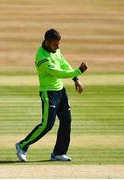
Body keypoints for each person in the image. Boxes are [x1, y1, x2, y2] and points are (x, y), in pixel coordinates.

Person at [16, 28, 88, 162]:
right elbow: (58, 73)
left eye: (59, 43)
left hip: (61, 91)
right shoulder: (42, 58)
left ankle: (59, 153)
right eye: (55, 44)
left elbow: (64, 64)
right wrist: (79, 70)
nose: (58, 46)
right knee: (47, 124)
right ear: (47, 42)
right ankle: (22, 145)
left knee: (66, 121)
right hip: (48, 92)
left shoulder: (56, 50)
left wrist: (76, 79)